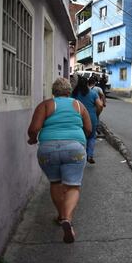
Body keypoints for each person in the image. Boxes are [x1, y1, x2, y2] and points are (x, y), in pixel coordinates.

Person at [27, 78, 92, 243]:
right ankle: (67, 220)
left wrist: (33, 139)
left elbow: (34, 129)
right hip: (74, 149)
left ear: (53, 92)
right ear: (69, 91)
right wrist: (78, 138)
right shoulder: (79, 105)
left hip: (47, 150)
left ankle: (61, 216)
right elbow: (89, 129)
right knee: (73, 187)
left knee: (55, 183)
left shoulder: (46, 105)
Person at [72, 76, 104, 164]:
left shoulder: (74, 93)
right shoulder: (93, 93)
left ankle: (78, 156)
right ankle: (89, 155)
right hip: (91, 118)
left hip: (77, 118)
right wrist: (97, 114)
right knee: (91, 137)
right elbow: (100, 105)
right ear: (87, 83)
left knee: (78, 137)